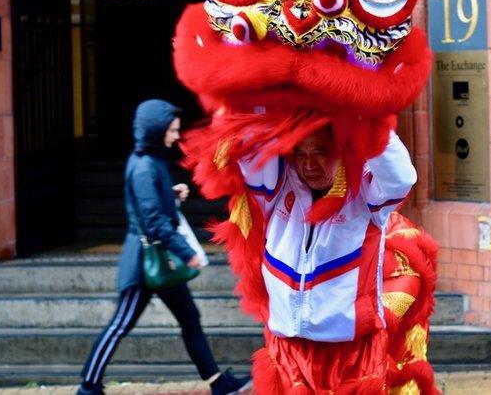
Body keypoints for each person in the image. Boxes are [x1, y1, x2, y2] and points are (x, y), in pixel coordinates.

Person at [77, 99, 251, 395]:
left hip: (160, 260)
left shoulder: (150, 160)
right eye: (171, 130)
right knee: (121, 324)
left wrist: (171, 195)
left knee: (189, 319)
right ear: (156, 131)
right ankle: (88, 386)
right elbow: (153, 221)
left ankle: (219, 383)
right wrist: (188, 253)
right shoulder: (144, 166)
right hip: (146, 263)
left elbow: (151, 205)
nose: (175, 136)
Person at [239, 124, 420, 392]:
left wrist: (368, 114)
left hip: (351, 353)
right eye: (300, 154)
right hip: (288, 352)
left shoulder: (365, 191)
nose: (309, 164)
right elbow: (249, 145)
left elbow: (401, 177)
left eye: (320, 152)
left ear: (342, 150)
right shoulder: (276, 188)